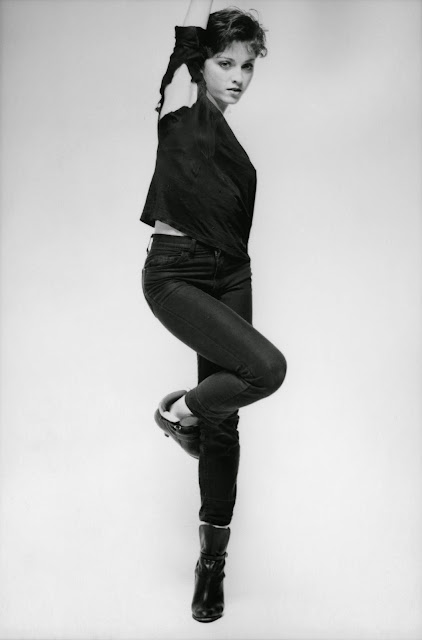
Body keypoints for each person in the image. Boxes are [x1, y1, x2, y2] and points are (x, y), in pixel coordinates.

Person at [140, 0, 287, 623]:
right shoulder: (181, 105)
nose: (238, 77)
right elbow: (188, 37)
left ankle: (211, 563)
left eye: (248, 66)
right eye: (226, 63)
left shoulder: (231, 139)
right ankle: (177, 413)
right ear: (200, 63)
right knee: (267, 370)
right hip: (176, 274)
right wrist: (195, 42)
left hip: (233, 273)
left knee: (224, 420)